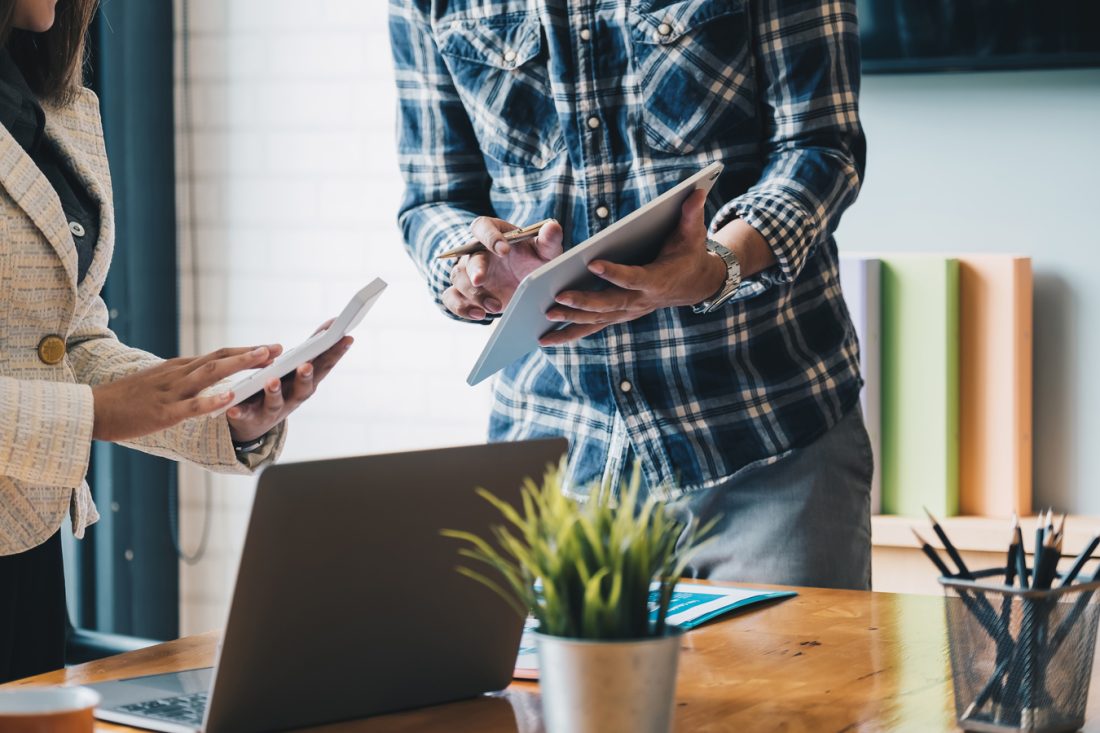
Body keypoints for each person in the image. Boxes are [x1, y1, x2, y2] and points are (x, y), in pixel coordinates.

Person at [391, 0, 872, 590]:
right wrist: (467, 269)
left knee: (791, 686)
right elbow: (434, 197)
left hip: (767, 447)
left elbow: (821, 147)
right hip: (556, 461)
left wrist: (718, 264)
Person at [0, 0, 350, 683]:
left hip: (26, 546)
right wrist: (94, 416)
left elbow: (65, 340)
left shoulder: (47, 102)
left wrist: (216, 406)